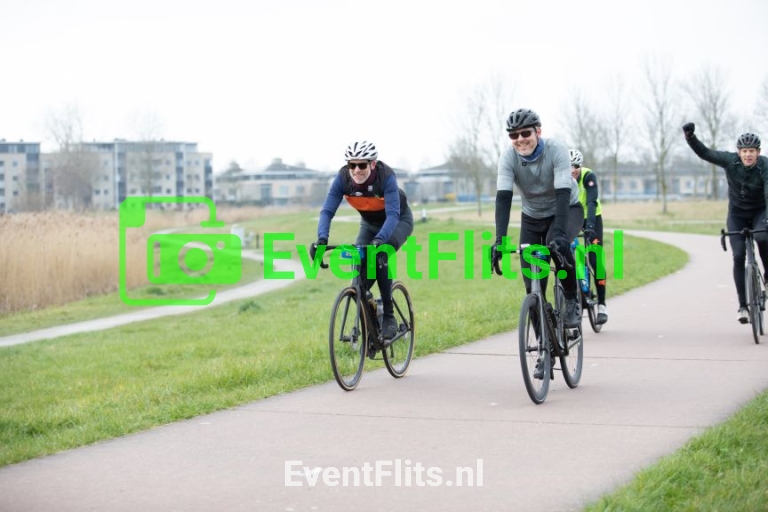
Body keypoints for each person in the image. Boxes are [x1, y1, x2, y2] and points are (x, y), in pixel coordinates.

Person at [492, 108, 584, 333]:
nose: (520, 139)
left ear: (538, 132)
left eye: (525, 133)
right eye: (514, 135)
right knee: (531, 285)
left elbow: (563, 193)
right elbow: (503, 198)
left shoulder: (556, 149)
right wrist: (499, 240)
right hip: (532, 217)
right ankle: (545, 343)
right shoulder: (508, 157)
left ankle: (571, 299)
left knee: (557, 246)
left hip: (566, 208)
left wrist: (560, 234)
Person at [311, 141, 414, 340]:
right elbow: (327, 211)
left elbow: (393, 215)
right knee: (359, 273)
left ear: (372, 164)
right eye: (352, 164)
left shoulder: (385, 177)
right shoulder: (343, 179)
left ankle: (389, 315)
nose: (356, 170)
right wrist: (322, 239)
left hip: (398, 221)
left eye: (362, 165)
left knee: (379, 255)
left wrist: (380, 240)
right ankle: (371, 312)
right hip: (369, 224)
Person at [682, 123, 768, 324]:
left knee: (763, 237)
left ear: (758, 152)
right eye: (744, 151)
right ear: (739, 152)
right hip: (737, 214)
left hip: (760, 211)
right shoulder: (730, 161)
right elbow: (705, 153)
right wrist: (690, 137)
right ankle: (743, 306)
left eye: (751, 151)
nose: (748, 155)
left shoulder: (765, 165)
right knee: (738, 256)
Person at [569, 149, 608, 324]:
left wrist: (590, 226)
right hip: (573, 218)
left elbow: (592, 202)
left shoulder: (587, 176)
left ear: (580, 166)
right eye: (569, 166)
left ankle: (602, 305)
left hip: (592, 218)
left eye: (576, 166)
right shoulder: (560, 178)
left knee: (595, 260)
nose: (572, 170)